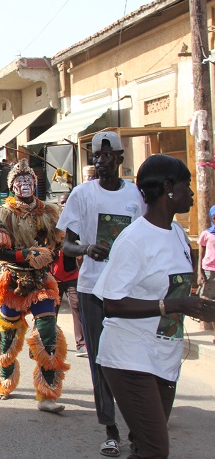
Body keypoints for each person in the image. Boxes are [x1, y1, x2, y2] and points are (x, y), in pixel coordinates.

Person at [93, 154, 215, 458]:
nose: (191, 193)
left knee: (145, 448)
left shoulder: (177, 234)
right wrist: (173, 305)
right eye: (187, 186)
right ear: (168, 187)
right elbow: (112, 303)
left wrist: (198, 307)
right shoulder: (134, 239)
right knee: (155, 449)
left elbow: (180, 293)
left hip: (165, 359)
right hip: (130, 358)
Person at [57, 131, 147, 458]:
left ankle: (138, 427)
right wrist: (86, 249)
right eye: (96, 156)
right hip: (93, 288)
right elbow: (65, 246)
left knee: (132, 360)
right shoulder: (82, 194)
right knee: (100, 361)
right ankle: (110, 429)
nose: (101, 161)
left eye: (108, 156)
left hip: (129, 290)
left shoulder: (137, 196)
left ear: (120, 159)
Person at [0, 158, 69, 413]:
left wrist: (49, 254)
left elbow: (59, 244)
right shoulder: (3, 214)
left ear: (35, 184)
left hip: (42, 280)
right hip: (12, 281)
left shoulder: (49, 212)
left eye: (28, 180)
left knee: (47, 332)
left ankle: (47, 394)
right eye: (19, 181)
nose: (24, 185)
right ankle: (5, 377)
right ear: (12, 187)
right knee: (7, 334)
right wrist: (24, 255)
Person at [50, 192, 86, 358]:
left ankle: (82, 344)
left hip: (72, 274)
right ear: (58, 204)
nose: (64, 205)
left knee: (77, 307)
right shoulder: (51, 223)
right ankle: (49, 343)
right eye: (62, 202)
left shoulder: (76, 223)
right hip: (53, 276)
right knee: (51, 310)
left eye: (67, 202)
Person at [197, 205, 215, 343]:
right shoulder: (206, 234)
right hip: (210, 271)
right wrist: (200, 273)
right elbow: (201, 254)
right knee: (210, 302)